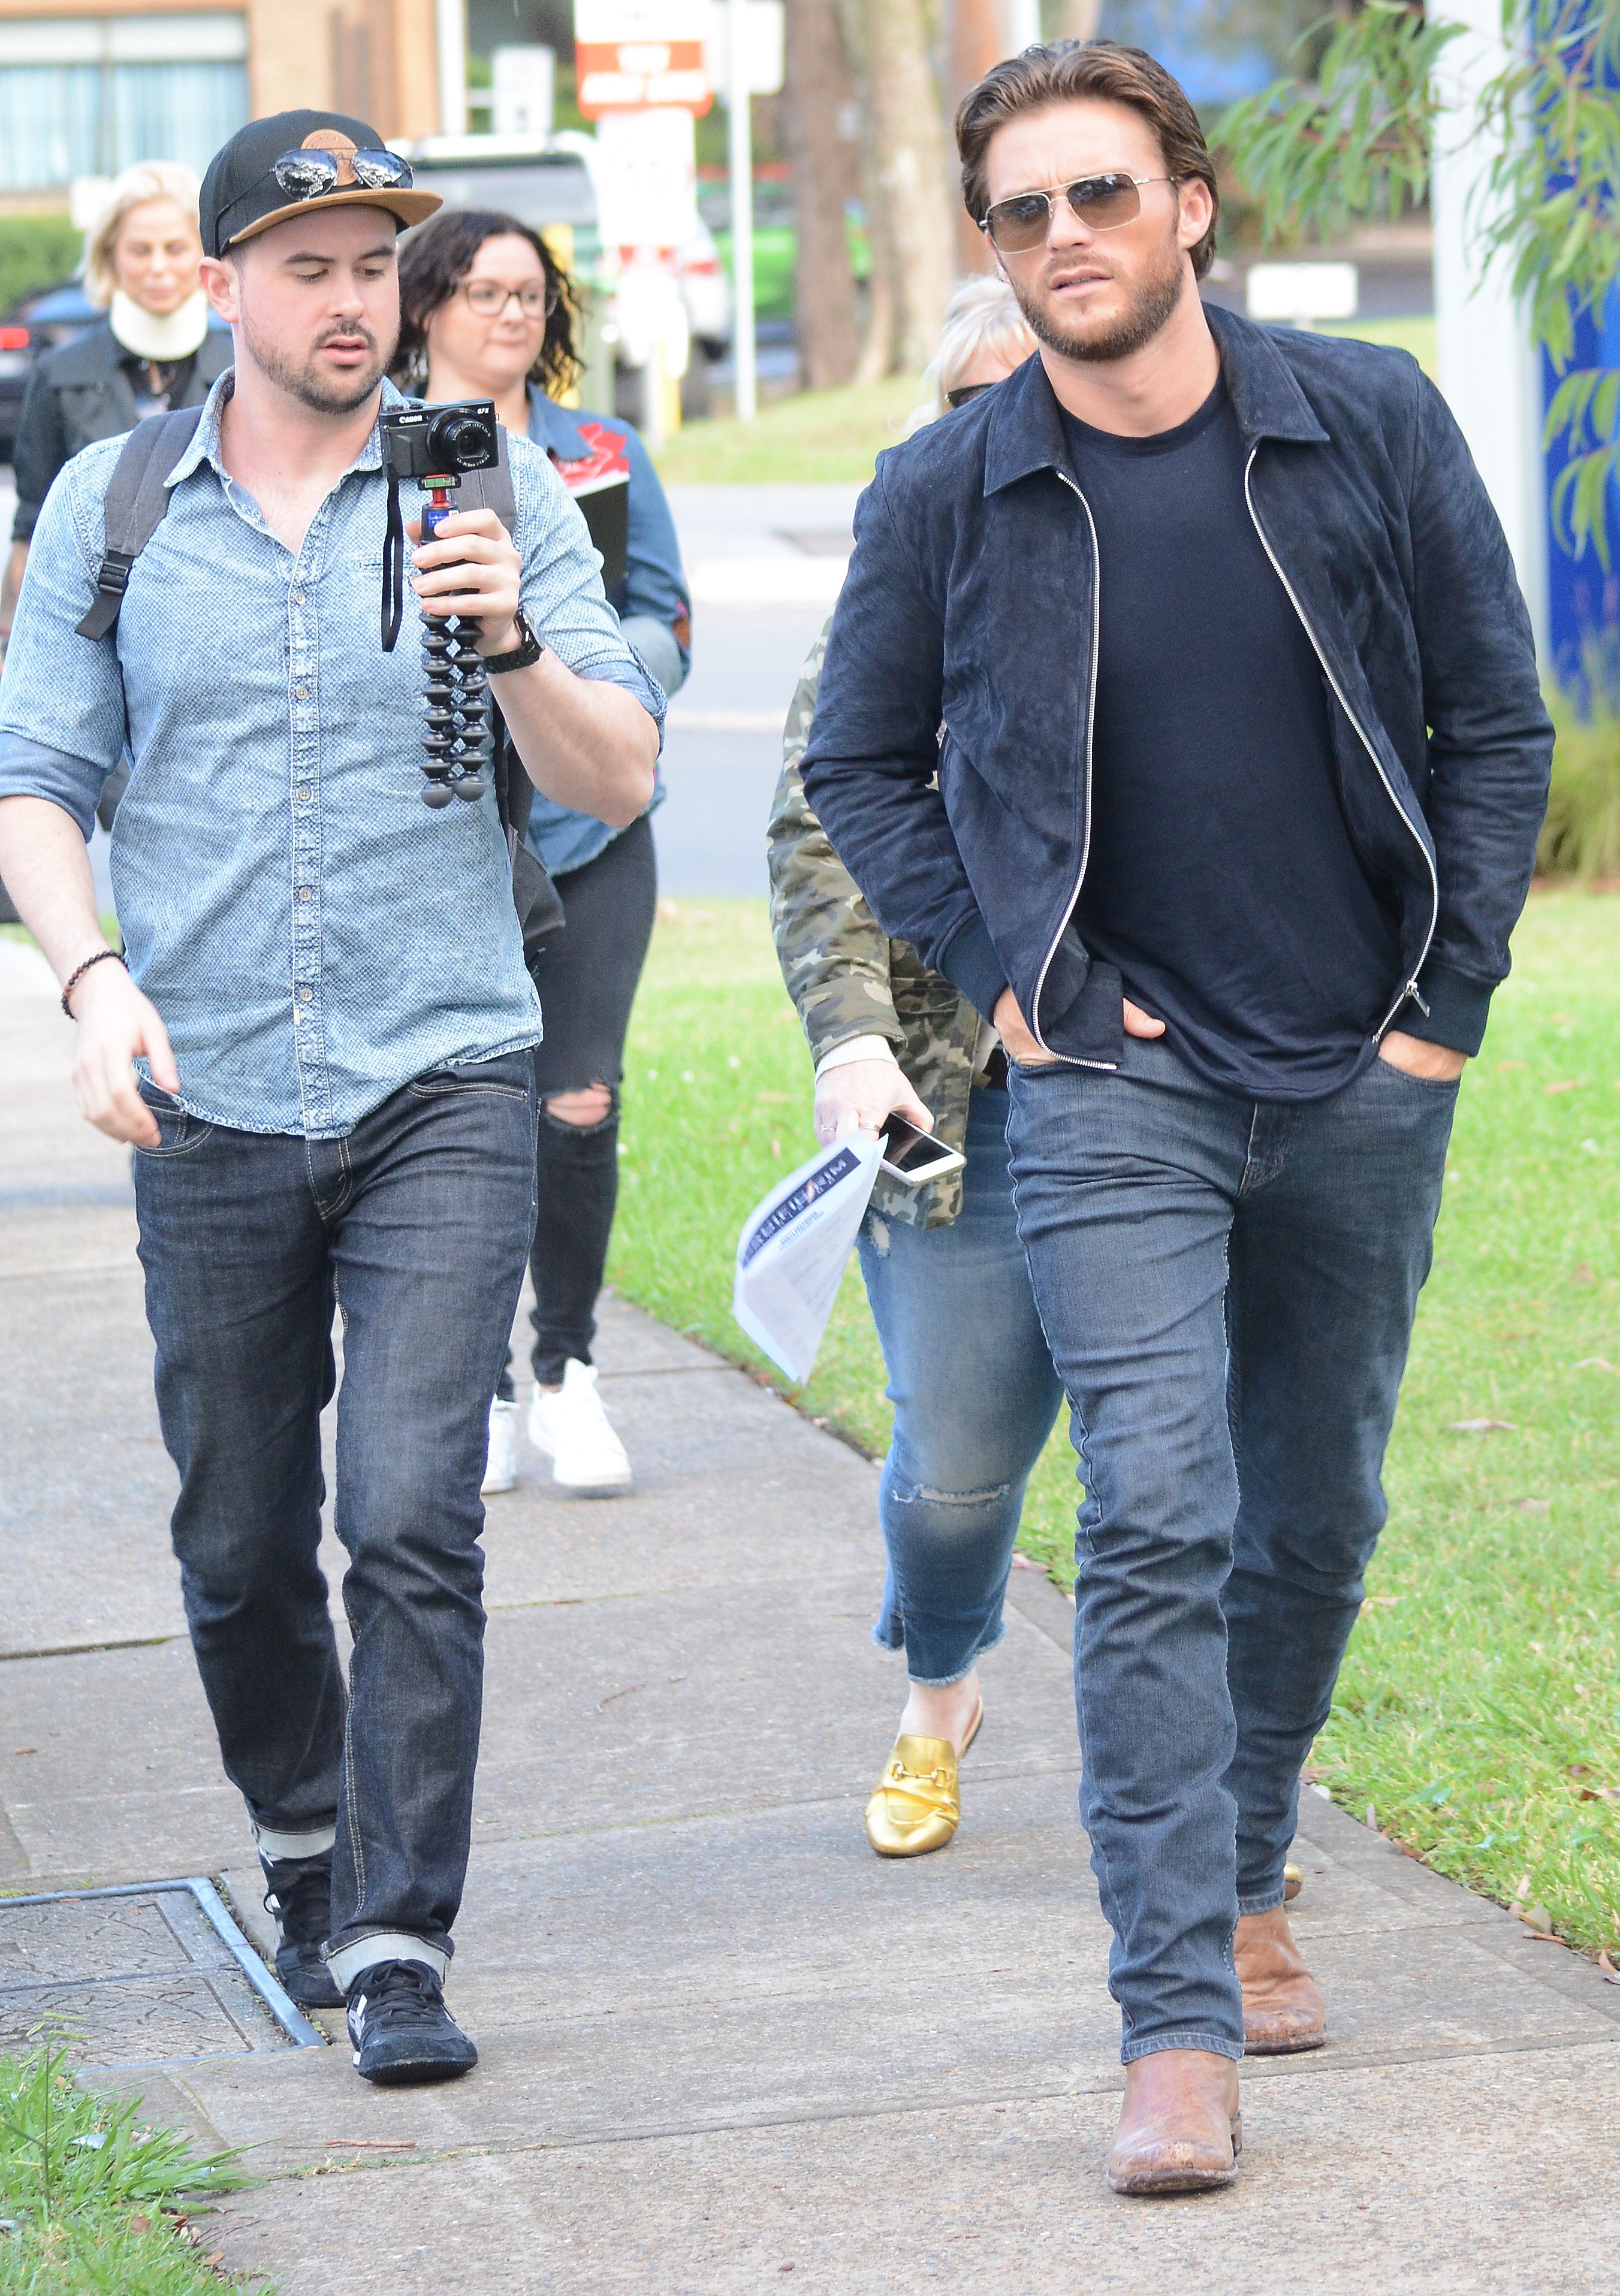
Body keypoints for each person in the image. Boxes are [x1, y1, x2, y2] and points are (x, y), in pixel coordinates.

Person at [800, 41, 1551, 2195]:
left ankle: (1240, 1866)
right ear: (991, 242)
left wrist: (1438, 1018)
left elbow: (1489, 722)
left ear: (1188, 204)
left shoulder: (1364, 419)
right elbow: (855, 762)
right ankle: (1171, 2021)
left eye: (1100, 193)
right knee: (1152, 1510)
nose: (1063, 236)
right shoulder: (947, 488)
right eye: (1020, 210)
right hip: (1111, 1088)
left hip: (1356, 1073)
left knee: (1309, 1510)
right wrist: (1017, 975)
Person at [0, 109, 660, 2086]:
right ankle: (305, 1838)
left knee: (409, 1516)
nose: (354, 302)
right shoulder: (118, 503)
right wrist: (90, 978)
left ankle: (395, 1936)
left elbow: (618, 772)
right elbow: (37, 778)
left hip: (443, 1065)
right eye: (309, 269)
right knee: (235, 1535)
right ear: (222, 288)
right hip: (202, 1087)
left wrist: (508, 635)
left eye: (376, 266)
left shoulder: (497, 486)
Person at [770, 274, 1062, 1862]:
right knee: (953, 1466)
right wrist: (852, 1037)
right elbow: (819, 831)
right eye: (970, 399)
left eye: (1038, 383)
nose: (1006, 422)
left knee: (1187, 1467)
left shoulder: (1196, 553)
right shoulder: (903, 582)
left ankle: (1223, 1793)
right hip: (960, 1104)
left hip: (1174, 1084)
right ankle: (938, 1692)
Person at [396, 210, 691, 1499]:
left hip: (587, 825)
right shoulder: (380, 451)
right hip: (445, 831)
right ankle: (484, 1385)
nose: (510, 314)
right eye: (482, 291)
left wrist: (595, 676)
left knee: (577, 1103)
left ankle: (566, 1367)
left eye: (529, 294)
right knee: (462, 1113)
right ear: (425, 306)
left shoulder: (602, 453)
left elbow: (665, 614)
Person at [1, 162, 232, 654]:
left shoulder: (241, 371)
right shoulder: (60, 375)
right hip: (84, 629)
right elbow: (32, 522)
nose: (158, 267)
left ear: (204, 256)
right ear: (110, 257)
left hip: (212, 629)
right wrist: (13, 641)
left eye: (175, 249)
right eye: (140, 250)